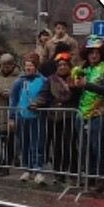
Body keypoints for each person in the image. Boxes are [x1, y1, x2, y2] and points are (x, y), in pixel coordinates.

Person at [71, 36, 104, 193]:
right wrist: (74, 86)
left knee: (99, 147)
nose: (94, 56)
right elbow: (76, 92)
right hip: (81, 114)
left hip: (99, 114)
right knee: (84, 148)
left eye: (97, 52)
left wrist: (86, 85)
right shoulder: (83, 69)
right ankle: (88, 177)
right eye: (91, 53)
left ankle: (101, 178)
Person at [33, 53, 80, 183]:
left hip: (70, 116)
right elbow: (43, 94)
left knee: (70, 145)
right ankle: (59, 173)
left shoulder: (75, 79)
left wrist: (74, 88)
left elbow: (79, 96)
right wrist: (36, 103)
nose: (63, 67)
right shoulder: (51, 80)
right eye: (60, 65)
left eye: (65, 65)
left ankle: (74, 173)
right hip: (54, 117)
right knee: (57, 146)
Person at [10, 56, 47, 183]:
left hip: (37, 117)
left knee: (37, 144)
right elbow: (13, 100)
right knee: (24, 143)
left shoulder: (43, 80)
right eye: (26, 65)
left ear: (36, 66)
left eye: (31, 65)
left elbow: (46, 96)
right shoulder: (19, 81)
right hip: (22, 116)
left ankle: (38, 170)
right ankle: (26, 169)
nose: (28, 68)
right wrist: (12, 117)